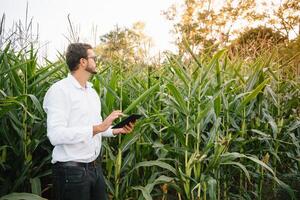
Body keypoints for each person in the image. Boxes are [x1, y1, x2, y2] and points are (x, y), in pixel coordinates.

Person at [43, 43, 134, 200]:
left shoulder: (91, 92)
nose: (96, 61)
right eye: (93, 58)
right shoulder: (59, 91)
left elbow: (97, 128)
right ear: (83, 62)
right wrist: (99, 127)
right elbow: (55, 135)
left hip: (94, 168)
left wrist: (114, 130)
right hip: (71, 173)